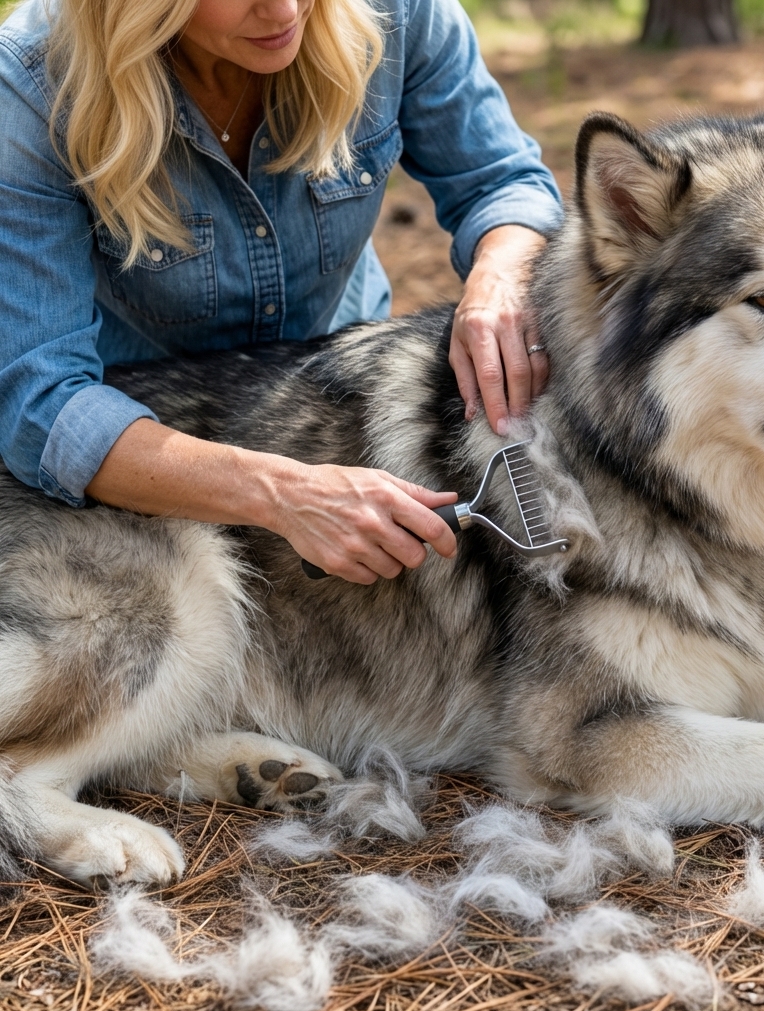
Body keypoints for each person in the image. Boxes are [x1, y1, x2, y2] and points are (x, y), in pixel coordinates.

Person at [0, 0, 562, 585]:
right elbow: (43, 404)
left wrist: (501, 276)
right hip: (148, 478)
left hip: (339, 417)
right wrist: (282, 493)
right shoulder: (29, 87)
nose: (287, 10)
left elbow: (503, 180)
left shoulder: (399, 12)